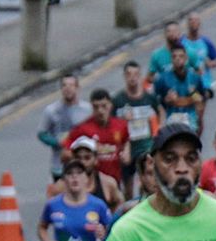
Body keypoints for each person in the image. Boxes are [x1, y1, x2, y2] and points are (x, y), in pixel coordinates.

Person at [63, 87, 133, 195]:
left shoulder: (121, 125)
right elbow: (65, 153)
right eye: (96, 107)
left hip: (115, 182)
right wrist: (82, 159)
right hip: (91, 184)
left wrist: (127, 153)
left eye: (104, 106)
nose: (100, 111)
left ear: (110, 105)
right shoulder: (83, 129)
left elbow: (126, 140)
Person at [112, 62, 163, 199]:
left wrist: (157, 132)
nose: (132, 78)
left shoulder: (149, 97)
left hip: (145, 146)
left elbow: (160, 112)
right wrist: (123, 122)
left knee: (146, 183)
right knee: (128, 188)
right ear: (124, 76)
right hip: (127, 148)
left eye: (135, 74)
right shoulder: (118, 100)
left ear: (140, 76)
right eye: (129, 74)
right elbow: (112, 124)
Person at [38, 75, 92, 179]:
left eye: (71, 85)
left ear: (77, 88)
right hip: (59, 164)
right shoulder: (51, 110)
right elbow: (42, 133)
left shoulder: (88, 110)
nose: (68, 88)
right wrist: (57, 142)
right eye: (64, 85)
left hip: (83, 164)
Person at [153, 45, 208, 134]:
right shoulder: (162, 79)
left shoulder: (195, 77)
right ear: (171, 59)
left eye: (181, 56)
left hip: (191, 121)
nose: (178, 59)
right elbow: (155, 102)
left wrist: (200, 119)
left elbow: (202, 100)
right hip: (171, 121)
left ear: (186, 58)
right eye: (174, 56)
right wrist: (166, 100)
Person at [184, 14, 216, 96]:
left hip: (204, 84)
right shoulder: (181, 42)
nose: (193, 22)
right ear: (187, 24)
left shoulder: (206, 41)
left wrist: (209, 63)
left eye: (196, 20)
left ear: (200, 23)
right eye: (191, 20)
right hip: (187, 84)